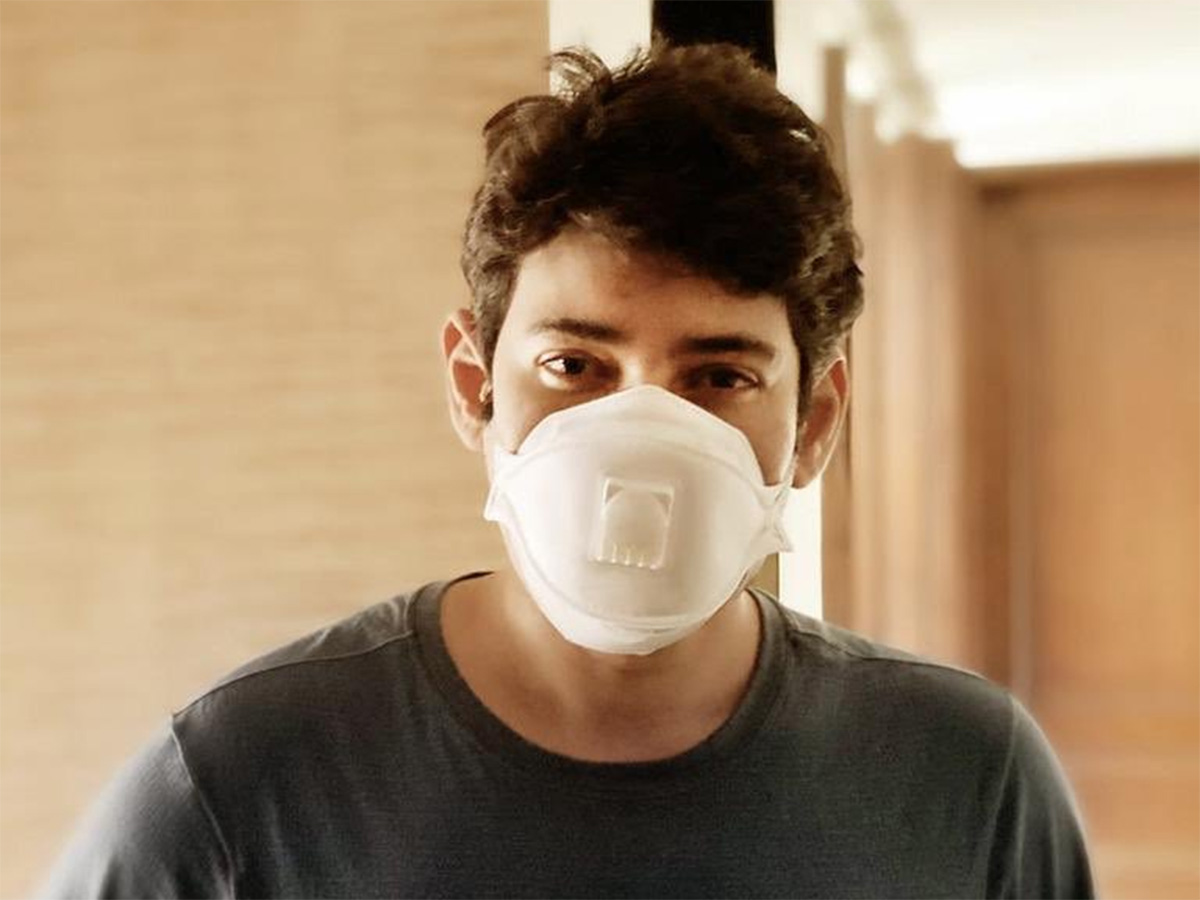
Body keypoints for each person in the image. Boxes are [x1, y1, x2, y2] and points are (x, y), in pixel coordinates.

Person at [39, 42, 1093, 899]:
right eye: (573, 365)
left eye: (720, 375)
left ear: (814, 422)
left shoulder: (965, 776)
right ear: (474, 386)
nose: (641, 432)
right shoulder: (244, 780)